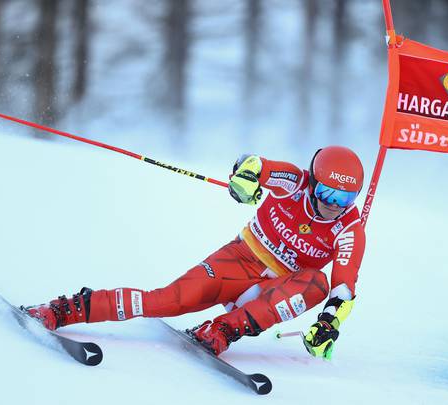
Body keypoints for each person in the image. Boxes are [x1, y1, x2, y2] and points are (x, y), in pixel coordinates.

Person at [25, 145, 366, 358]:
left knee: (317, 282)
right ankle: (62, 310)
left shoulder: (350, 228)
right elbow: (254, 163)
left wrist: (328, 323)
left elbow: (343, 288)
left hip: (271, 292)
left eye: (345, 199)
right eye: (327, 193)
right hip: (238, 260)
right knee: (165, 302)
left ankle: (220, 330)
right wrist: (244, 179)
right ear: (313, 179)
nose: (333, 206)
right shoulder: (294, 182)